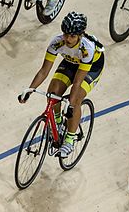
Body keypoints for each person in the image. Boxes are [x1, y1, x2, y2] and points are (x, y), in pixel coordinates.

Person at [18, 12, 104, 157]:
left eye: (72, 36)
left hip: (91, 68)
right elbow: (43, 71)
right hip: (70, 62)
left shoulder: (86, 49)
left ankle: (69, 140)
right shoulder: (57, 42)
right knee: (53, 92)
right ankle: (57, 123)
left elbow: (77, 82)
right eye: (65, 34)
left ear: (80, 35)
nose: (67, 39)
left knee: (75, 99)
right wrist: (30, 90)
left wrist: (70, 105)